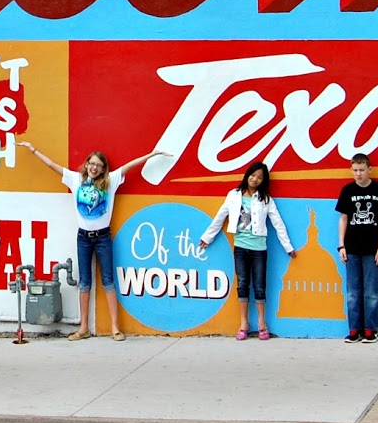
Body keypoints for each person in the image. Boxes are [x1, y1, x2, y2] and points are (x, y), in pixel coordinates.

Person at [18, 140, 163, 341]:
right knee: (85, 282)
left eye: (99, 165)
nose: (94, 168)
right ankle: (84, 327)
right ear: (87, 164)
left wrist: (152, 154)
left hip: (103, 237)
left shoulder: (110, 181)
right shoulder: (75, 179)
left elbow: (130, 166)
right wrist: (32, 149)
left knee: (108, 281)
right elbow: (51, 165)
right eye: (92, 163)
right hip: (83, 238)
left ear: (103, 169)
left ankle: (115, 328)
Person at [197, 161, 297, 340]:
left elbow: (278, 223)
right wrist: (207, 237)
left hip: (259, 248)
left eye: (259, 177)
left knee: (259, 286)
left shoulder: (266, 199)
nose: (255, 179)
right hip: (240, 247)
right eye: (252, 175)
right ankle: (244, 323)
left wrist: (287, 246)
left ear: (263, 181)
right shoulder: (234, 195)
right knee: (242, 284)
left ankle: (261, 323)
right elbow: (220, 217)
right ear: (247, 175)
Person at [336, 152, 378, 343]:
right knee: (353, 292)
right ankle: (354, 329)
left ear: (370, 169)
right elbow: (343, 219)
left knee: (371, 293)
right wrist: (341, 245)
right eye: (355, 170)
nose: (358, 174)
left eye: (361, 170)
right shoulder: (347, 191)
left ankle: (370, 329)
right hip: (351, 249)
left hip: (372, 250)